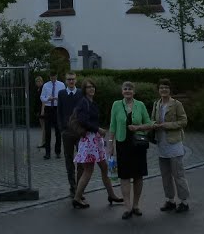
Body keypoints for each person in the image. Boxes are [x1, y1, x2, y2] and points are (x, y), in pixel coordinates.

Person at [70, 79, 123, 208]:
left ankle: (111, 194)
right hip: (89, 140)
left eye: (93, 87)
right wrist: (97, 129)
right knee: (88, 170)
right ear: (84, 90)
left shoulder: (91, 103)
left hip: (95, 140)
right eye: (88, 87)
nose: (91, 89)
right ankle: (77, 197)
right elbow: (83, 121)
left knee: (104, 168)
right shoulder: (83, 102)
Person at [108, 81, 152, 219]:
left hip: (138, 144)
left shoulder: (140, 105)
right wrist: (110, 144)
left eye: (130, 89)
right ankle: (127, 207)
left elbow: (149, 123)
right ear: (122, 91)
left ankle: (136, 205)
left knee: (138, 175)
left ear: (134, 92)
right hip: (122, 144)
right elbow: (112, 125)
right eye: (125, 89)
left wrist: (138, 128)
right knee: (125, 176)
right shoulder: (116, 105)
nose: (127, 91)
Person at [151, 78, 190, 214]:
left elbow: (184, 121)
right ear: (158, 90)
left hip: (174, 144)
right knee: (165, 175)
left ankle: (184, 202)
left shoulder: (176, 104)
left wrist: (167, 125)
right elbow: (152, 119)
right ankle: (170, 200)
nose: (164, 90)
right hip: (161, 143)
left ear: (170, 90)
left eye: (166, 88)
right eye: (161, 88)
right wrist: (153, 124)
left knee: (178, 174)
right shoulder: (156, 104)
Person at [57, 72, 83, 195]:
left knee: (81, 160)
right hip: (67, 132)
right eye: (69, 79)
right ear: (66, 81)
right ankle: (72, 186)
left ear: (76, 80)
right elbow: (59, 112)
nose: (71, 81)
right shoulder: (61, 94)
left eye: (73, 79)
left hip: (79, 132)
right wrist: (62, 128)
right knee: (69, 159)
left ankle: (80, 186)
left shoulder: (81, 93)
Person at [40, 72, 64, 159]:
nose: (52, 79)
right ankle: (47, 153)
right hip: (48, 108)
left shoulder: (61, 85)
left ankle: (58, 152)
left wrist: (59, 98)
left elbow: (64, 96)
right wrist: (47, 99)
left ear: (56, 76)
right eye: (51, 77)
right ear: (49, 76)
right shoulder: (46, 85)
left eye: (54, 77)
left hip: (57, 108)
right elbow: (42, 97)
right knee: (47, 131)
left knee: (58, 131)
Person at [33, 76, 46, 148]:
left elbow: (43, 101)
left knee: (44, 127)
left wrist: (42, 110)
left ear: (42, 81)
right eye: (37, 81)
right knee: (43, 127)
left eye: (39, 81)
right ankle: (44, 141)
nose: (38, 83)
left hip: (42, 110)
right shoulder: (38, 89)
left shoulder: (42, 89)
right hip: (39, 109)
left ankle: (43, 142)